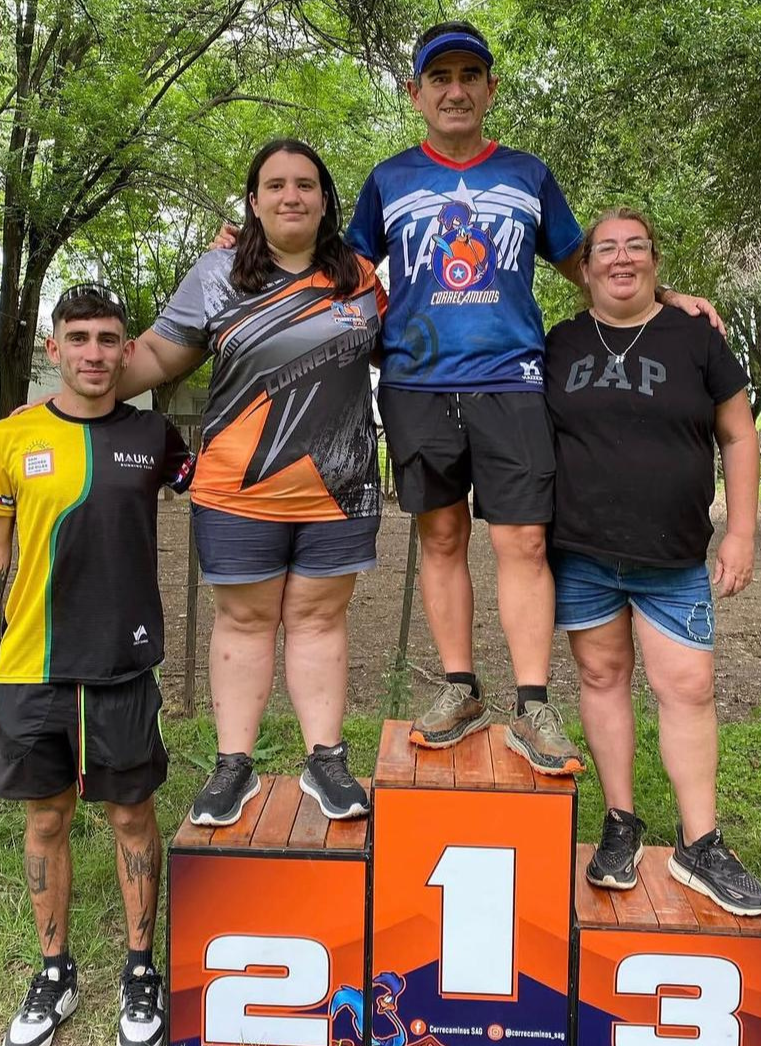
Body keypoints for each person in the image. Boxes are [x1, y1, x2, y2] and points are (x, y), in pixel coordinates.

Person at [213, 21, 721, 776]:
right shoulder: (388, 180)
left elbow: (583, 261)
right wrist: (248, 245)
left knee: (523, 542)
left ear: (490, 89)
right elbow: (336, 267)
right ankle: (460, 687)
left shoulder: (527, 174)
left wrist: (664, 293)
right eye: (440, 78)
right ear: (415, 93)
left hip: (512, 383)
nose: (455, 90)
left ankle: (532, 704)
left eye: (469, 76)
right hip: (415, 385)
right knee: (442, 538)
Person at [114, 139, 387, 826]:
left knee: (319, 621)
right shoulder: (217, 273)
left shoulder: (359, 277)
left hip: (339, 490)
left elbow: (414, 351)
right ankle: (233, 766)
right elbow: (156, 354)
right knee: (243, 623)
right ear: (254, 201)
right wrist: (74, 395)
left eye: (305, 184)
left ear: (325, 200)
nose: (291, 195)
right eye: (275, 185)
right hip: (238, 492)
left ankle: (326, 761)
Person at [0, 285, 196, 1046]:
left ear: (127, 351)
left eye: (107, 339)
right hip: (30, 668)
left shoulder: (154, 435)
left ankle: (140, 973)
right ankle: (54, 974)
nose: (94, 353)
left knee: (131, 818)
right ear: (54, 348)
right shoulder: (10, 436)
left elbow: (224, 486)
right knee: (46, 820)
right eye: (79, 338)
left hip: (122, 667)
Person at [543, 207, 761, 916]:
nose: (622, 258)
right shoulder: (560, 343)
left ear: (655, 261)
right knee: (602, 678)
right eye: (606, 249)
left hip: (673, 555)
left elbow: (739, 435)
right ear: (584, 268)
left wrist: (741, 532)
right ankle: (621, 823)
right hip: (583, 551)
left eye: (635, 247)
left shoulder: (696, 337)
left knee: (689, 688)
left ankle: (699, 843)